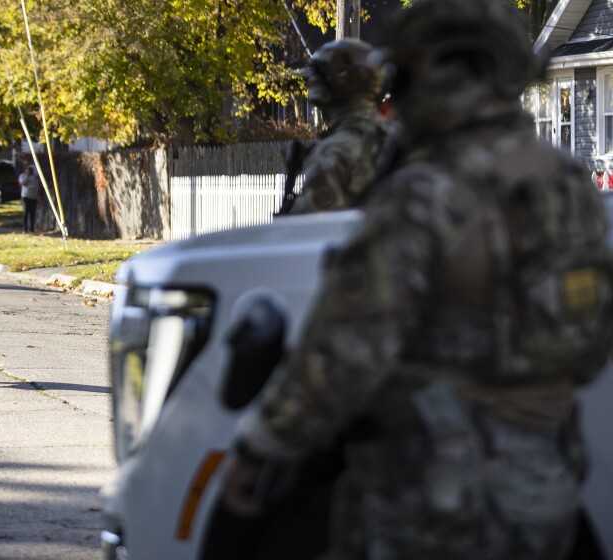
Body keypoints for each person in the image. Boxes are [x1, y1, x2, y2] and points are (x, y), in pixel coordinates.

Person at [220, 0, 613, 558]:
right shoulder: (570, 185)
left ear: (430, 75)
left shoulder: (426, 193)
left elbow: (345, 350)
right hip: (545, 489)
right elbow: (590, 345)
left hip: (432, 500)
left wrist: (260, 446)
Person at [286, 39, 391, 214]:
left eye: (317, 74)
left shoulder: (334, 152)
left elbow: (307, 228)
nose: (311, 81)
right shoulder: (395, 136)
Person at [19, 164, 40, 233]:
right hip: (26, 197)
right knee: (25, 213)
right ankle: (24, 229)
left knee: (32, 213)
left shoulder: (35, 177)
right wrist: (27, 176)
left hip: (33, 197)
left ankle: (32, 228)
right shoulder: (23, 176)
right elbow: (23, 183)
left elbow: (37, 184)